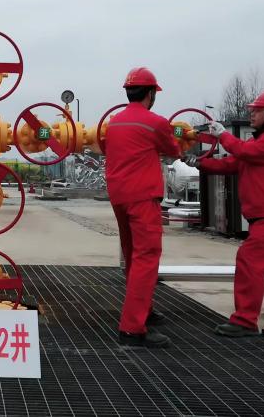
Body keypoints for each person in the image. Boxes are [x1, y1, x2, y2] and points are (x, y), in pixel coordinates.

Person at [184, 88, 264, 348]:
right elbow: (233, 164)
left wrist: (222, 135)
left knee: (249, 259)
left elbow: (244, 153)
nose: (251, 114)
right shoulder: (260, 141)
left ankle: (245, 320)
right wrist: (197, 163)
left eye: (257, 110)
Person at [105, 67, 182, 348]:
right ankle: (133, 328)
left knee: (132, 255)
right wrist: (183, 136)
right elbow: (174, 150)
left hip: (119, 197)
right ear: (151, 93)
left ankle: (144, 309)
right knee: (147, 257)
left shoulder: (113, 123)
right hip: (143, 197)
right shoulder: (155, 123)